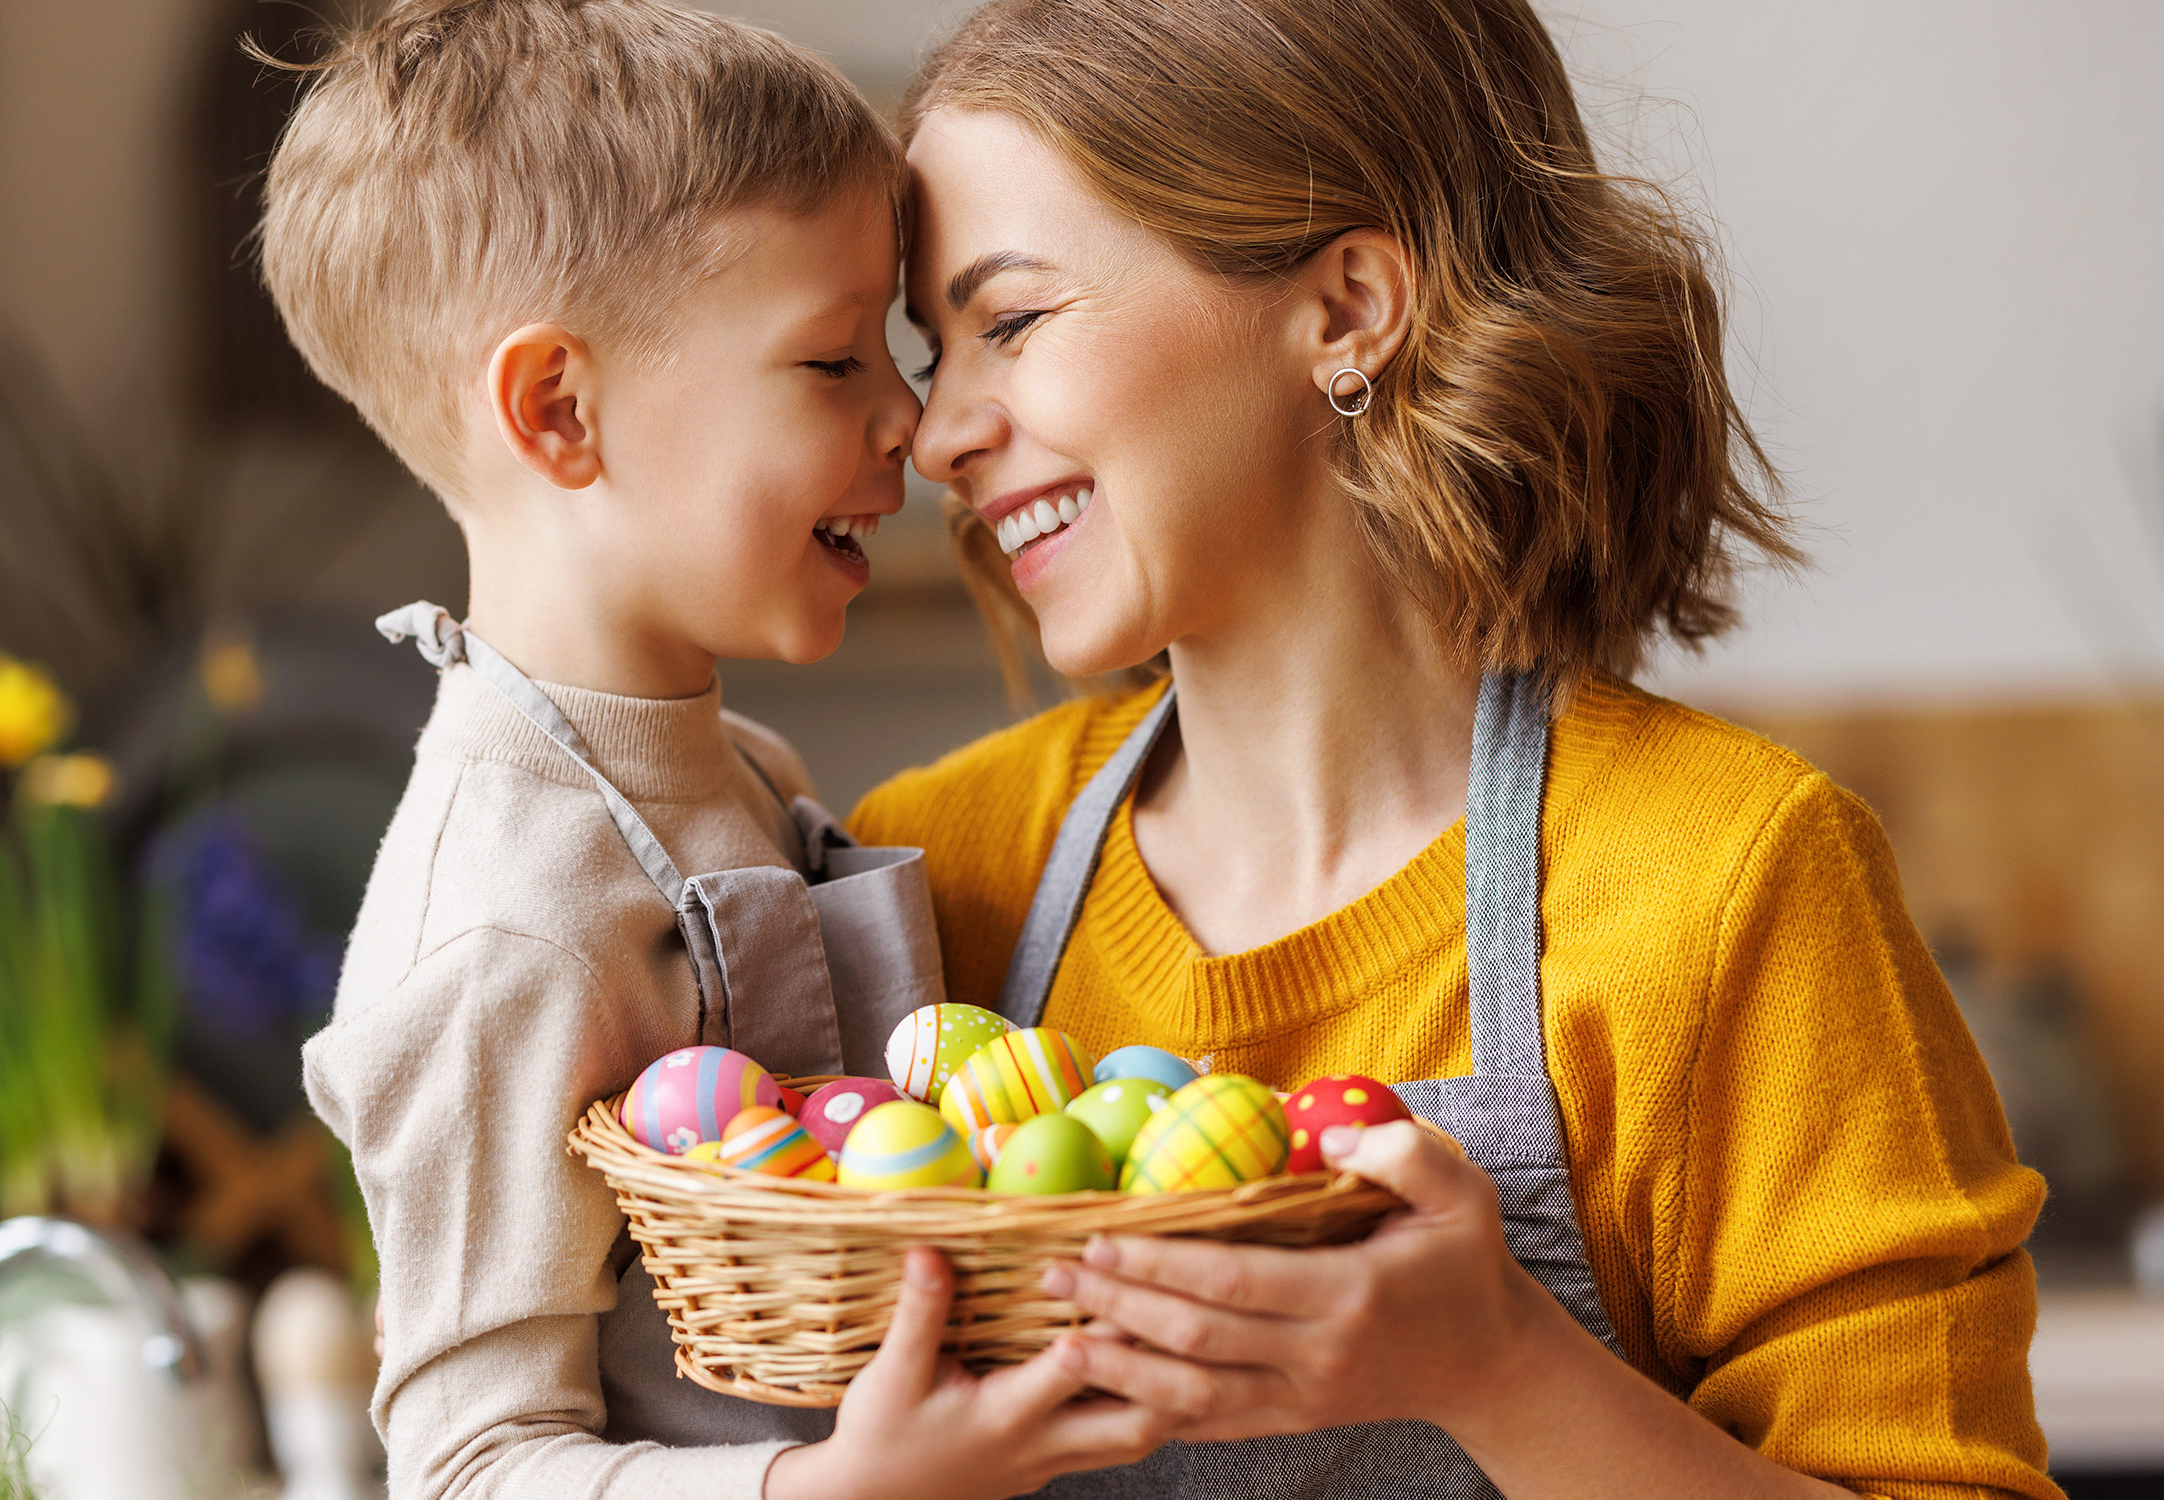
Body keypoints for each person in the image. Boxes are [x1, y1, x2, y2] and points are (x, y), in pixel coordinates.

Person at [847, 0, 2061, 1496]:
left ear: (1347, 307)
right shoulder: (931, 867)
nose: (937, 429)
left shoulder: (1725, 884)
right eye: (930, 346)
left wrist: (1498, 1367)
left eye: (1012, 321)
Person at [265, 4, 1175, 1498]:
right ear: (561, 409)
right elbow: (471, 1464)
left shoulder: (739, 769)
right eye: (833, 362)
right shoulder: (508, 923)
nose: (915, 417)